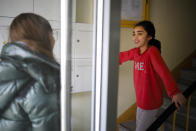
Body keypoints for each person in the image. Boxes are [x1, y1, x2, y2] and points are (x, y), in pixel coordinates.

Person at [119, 20, 186, 131]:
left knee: (141, 128)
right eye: (134, 34)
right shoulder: (136, 52)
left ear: (149, 37)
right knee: (142, 125)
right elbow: (121, 56)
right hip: (140, 100)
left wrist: (174, 92)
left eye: (140, 33)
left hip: (151, 101)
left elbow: (164, 72)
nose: (135, 37)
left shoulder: (152, 52)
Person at [0, 13, 60, 131]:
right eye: (52, 34)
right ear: (46, 36)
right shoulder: (42, 77)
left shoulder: (6, 66)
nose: (54, 39)